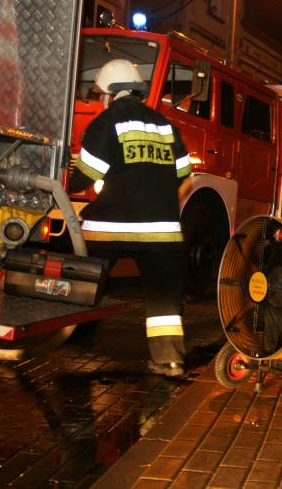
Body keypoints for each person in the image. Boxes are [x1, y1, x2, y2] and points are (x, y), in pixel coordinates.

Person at [69, 59, 192, 377]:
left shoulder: (107, 121)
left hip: (110, 227)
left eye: (100, 94)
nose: (100, 100)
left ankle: (73, 342)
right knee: (164, 298)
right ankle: (170, 361)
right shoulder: (166, 126)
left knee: (86, 282)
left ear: (110, 92)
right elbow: (185, 178)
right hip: (161, 231)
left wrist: (59, 181)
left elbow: (86, 176)